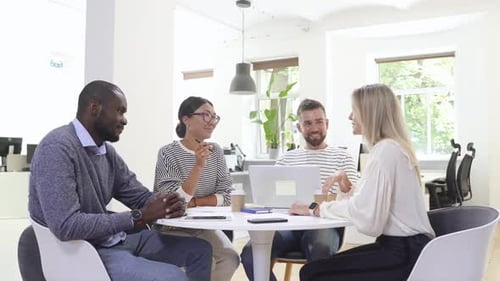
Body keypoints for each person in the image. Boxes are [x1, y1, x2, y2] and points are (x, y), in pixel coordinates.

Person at [28, 80, 213, 281]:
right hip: (86, 251)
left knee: (200, 251)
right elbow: (66, 226)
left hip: (115, 239)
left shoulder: (106, 152)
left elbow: (138, 195)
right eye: (120, 111)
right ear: (94, 108)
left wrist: (166, 203)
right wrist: (138, 216)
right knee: (173, 277)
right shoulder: (57, 148)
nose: (124, 120)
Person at [290, 84, 435, 281]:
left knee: (312, 273)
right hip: (408, 248)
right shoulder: (391, 148)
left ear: (369, 113)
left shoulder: (386, 152)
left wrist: (316, 208)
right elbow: (371, 201)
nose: (350, 116)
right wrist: (348, 187)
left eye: (355, 111)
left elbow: (369, 221)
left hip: (404, 253)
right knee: (315, 269)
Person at [240, 98, 359, 281]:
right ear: (299, 127)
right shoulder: (286, 159)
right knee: (250, 253)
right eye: (308, 123)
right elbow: (270, 197)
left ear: (327, 123)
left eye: (319, 122)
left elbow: (354, 196)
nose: (314, 128)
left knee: (320, 248)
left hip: (323, 225)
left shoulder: (342, 157)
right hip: (287, 226)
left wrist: (343, 183)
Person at [153, 96, 240, 281]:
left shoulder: (215, 151)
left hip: (204, 226)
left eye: (214, 116)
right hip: (173, 228)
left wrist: (196, 202)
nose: (212, 122)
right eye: (205, 115)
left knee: (230, 258)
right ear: (186, 120)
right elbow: (173, 202)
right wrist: (198, 166)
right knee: (198, 262)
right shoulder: (168, 153)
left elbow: (227, 195)